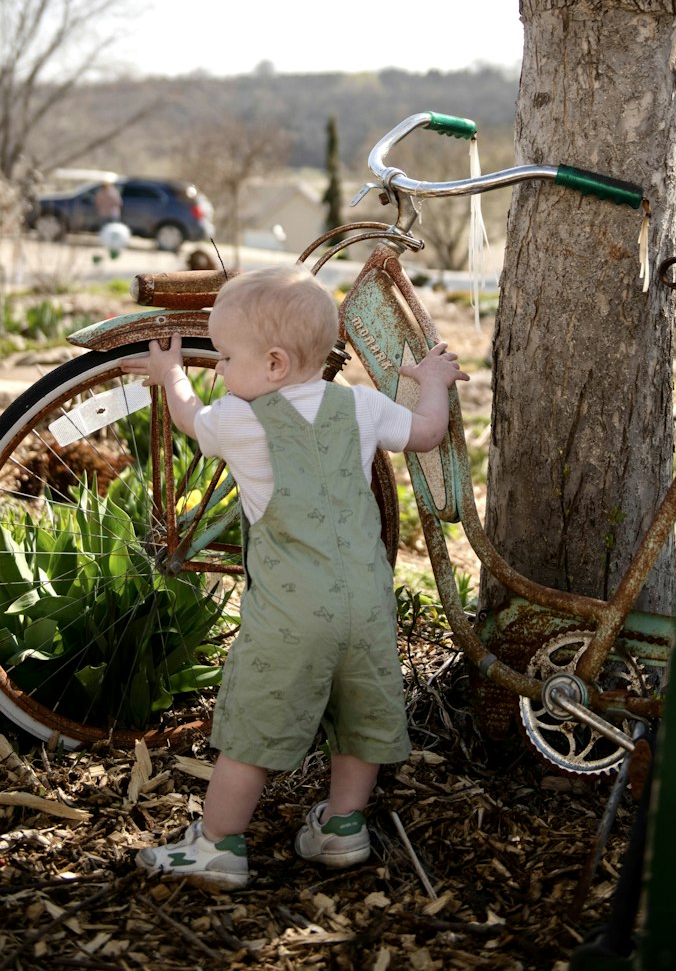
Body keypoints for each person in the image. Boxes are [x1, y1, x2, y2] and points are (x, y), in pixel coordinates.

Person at [121, 264, 468, 889]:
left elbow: (189, 418)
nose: (219, 369)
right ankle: (342, 828)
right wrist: (434, 380)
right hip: (367, 601)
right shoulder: (360, 405)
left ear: (275, 364)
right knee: (361, 716)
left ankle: (219, 845)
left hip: (290, 612)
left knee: (254, 727)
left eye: (226, 357)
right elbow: (427, 431)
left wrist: (172, 374)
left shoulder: (239, 420)